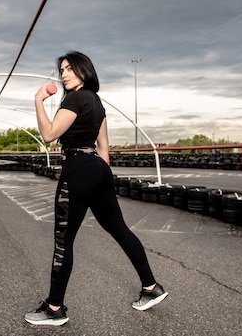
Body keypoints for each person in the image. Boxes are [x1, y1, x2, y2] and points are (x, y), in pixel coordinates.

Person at [24, 51, 168, 326]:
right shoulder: (98, 103)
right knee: (119, 228)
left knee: (63, 242)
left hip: (78, 167)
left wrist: (38, 101)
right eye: (62, 69)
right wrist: (101, 178)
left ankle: (54, 309)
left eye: (69, 69)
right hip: (99, 168)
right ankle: (150, 287)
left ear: (84, 71)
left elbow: (49, 134)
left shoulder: (76, 98)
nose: (64, 74)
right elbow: (104, 148)